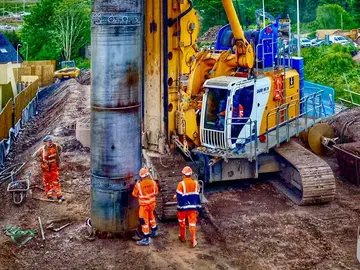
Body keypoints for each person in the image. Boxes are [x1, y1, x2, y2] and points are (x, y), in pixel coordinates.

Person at [132, 168, 159, 246]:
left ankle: (146, 238)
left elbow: (134, 194)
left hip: (144, 206)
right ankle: (154, 230)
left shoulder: (139, 185)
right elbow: (156, 192)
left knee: (144, 221)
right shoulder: (153, 183)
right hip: (152, 205)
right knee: (151, 217)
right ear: (147, 175)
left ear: (141, 176)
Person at [176, 166, 201, 248]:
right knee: (192, 224)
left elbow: (179, 197)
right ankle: (193, 241)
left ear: (183, 174)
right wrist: (198, 208)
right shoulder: (196, 183)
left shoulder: (181, 184)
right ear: (191, 174)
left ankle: (182, 237)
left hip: (182, 208)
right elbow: (197, 195)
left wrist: (179, 207)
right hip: (192, 207)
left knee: (182, 222)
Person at [33, 135, 64, 202]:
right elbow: (34, 156)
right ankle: (49, 195)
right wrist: (41, 160)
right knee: (47, 182)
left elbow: (60, 149)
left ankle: (59, 195)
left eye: (51, 141)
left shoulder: (56, 146)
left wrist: (58, 156)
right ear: (45, 142)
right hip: (45, 168)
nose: (50, 143)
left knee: (56, 181)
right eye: (48, 141)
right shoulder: (42, 149)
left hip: (54, 167)